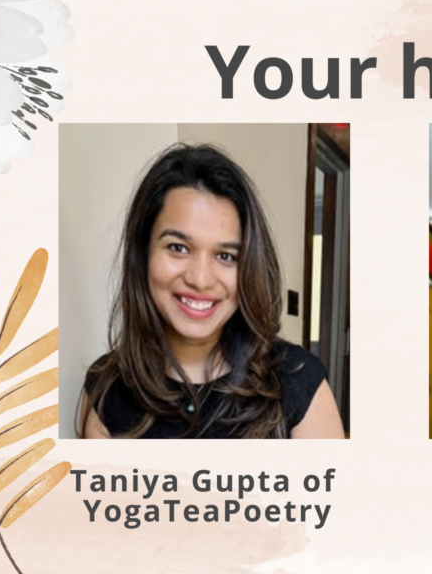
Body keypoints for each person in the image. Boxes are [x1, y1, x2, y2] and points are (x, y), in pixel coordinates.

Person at [80, 144, 345, 439]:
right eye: (178, 248)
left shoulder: (300, 383)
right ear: (143, 254)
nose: (201, 279)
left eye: (226, 256)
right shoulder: (106, 390)